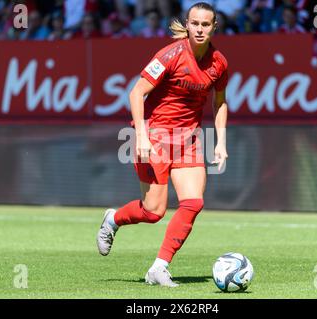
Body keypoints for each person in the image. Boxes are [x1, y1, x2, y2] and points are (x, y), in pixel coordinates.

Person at [97, 2, 229, 287]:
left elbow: (220, 102)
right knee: (153, 212)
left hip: (190, 139)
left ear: (214, 27)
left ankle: (159, 267)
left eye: (206, 24)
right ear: (188, 23)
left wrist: (220, 141)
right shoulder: (171, 54)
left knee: (193, 202)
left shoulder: (219, 62)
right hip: (156, 135)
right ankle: (113, 219)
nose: (200, 29)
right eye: (195, 23)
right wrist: (142, 135)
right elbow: (136, 93)